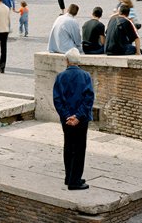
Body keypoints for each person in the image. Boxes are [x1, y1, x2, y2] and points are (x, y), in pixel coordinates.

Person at [52, 48, 94, 191]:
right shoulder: (86, 76)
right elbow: (88, 99)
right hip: (81, 120)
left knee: (69, 147)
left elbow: (57, 100)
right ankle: (75, 181)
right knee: (79, 149)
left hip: (67, 120)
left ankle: (69, 176)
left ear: (67, 61)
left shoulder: (60, 77)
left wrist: (67, 116)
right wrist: (78, 116)